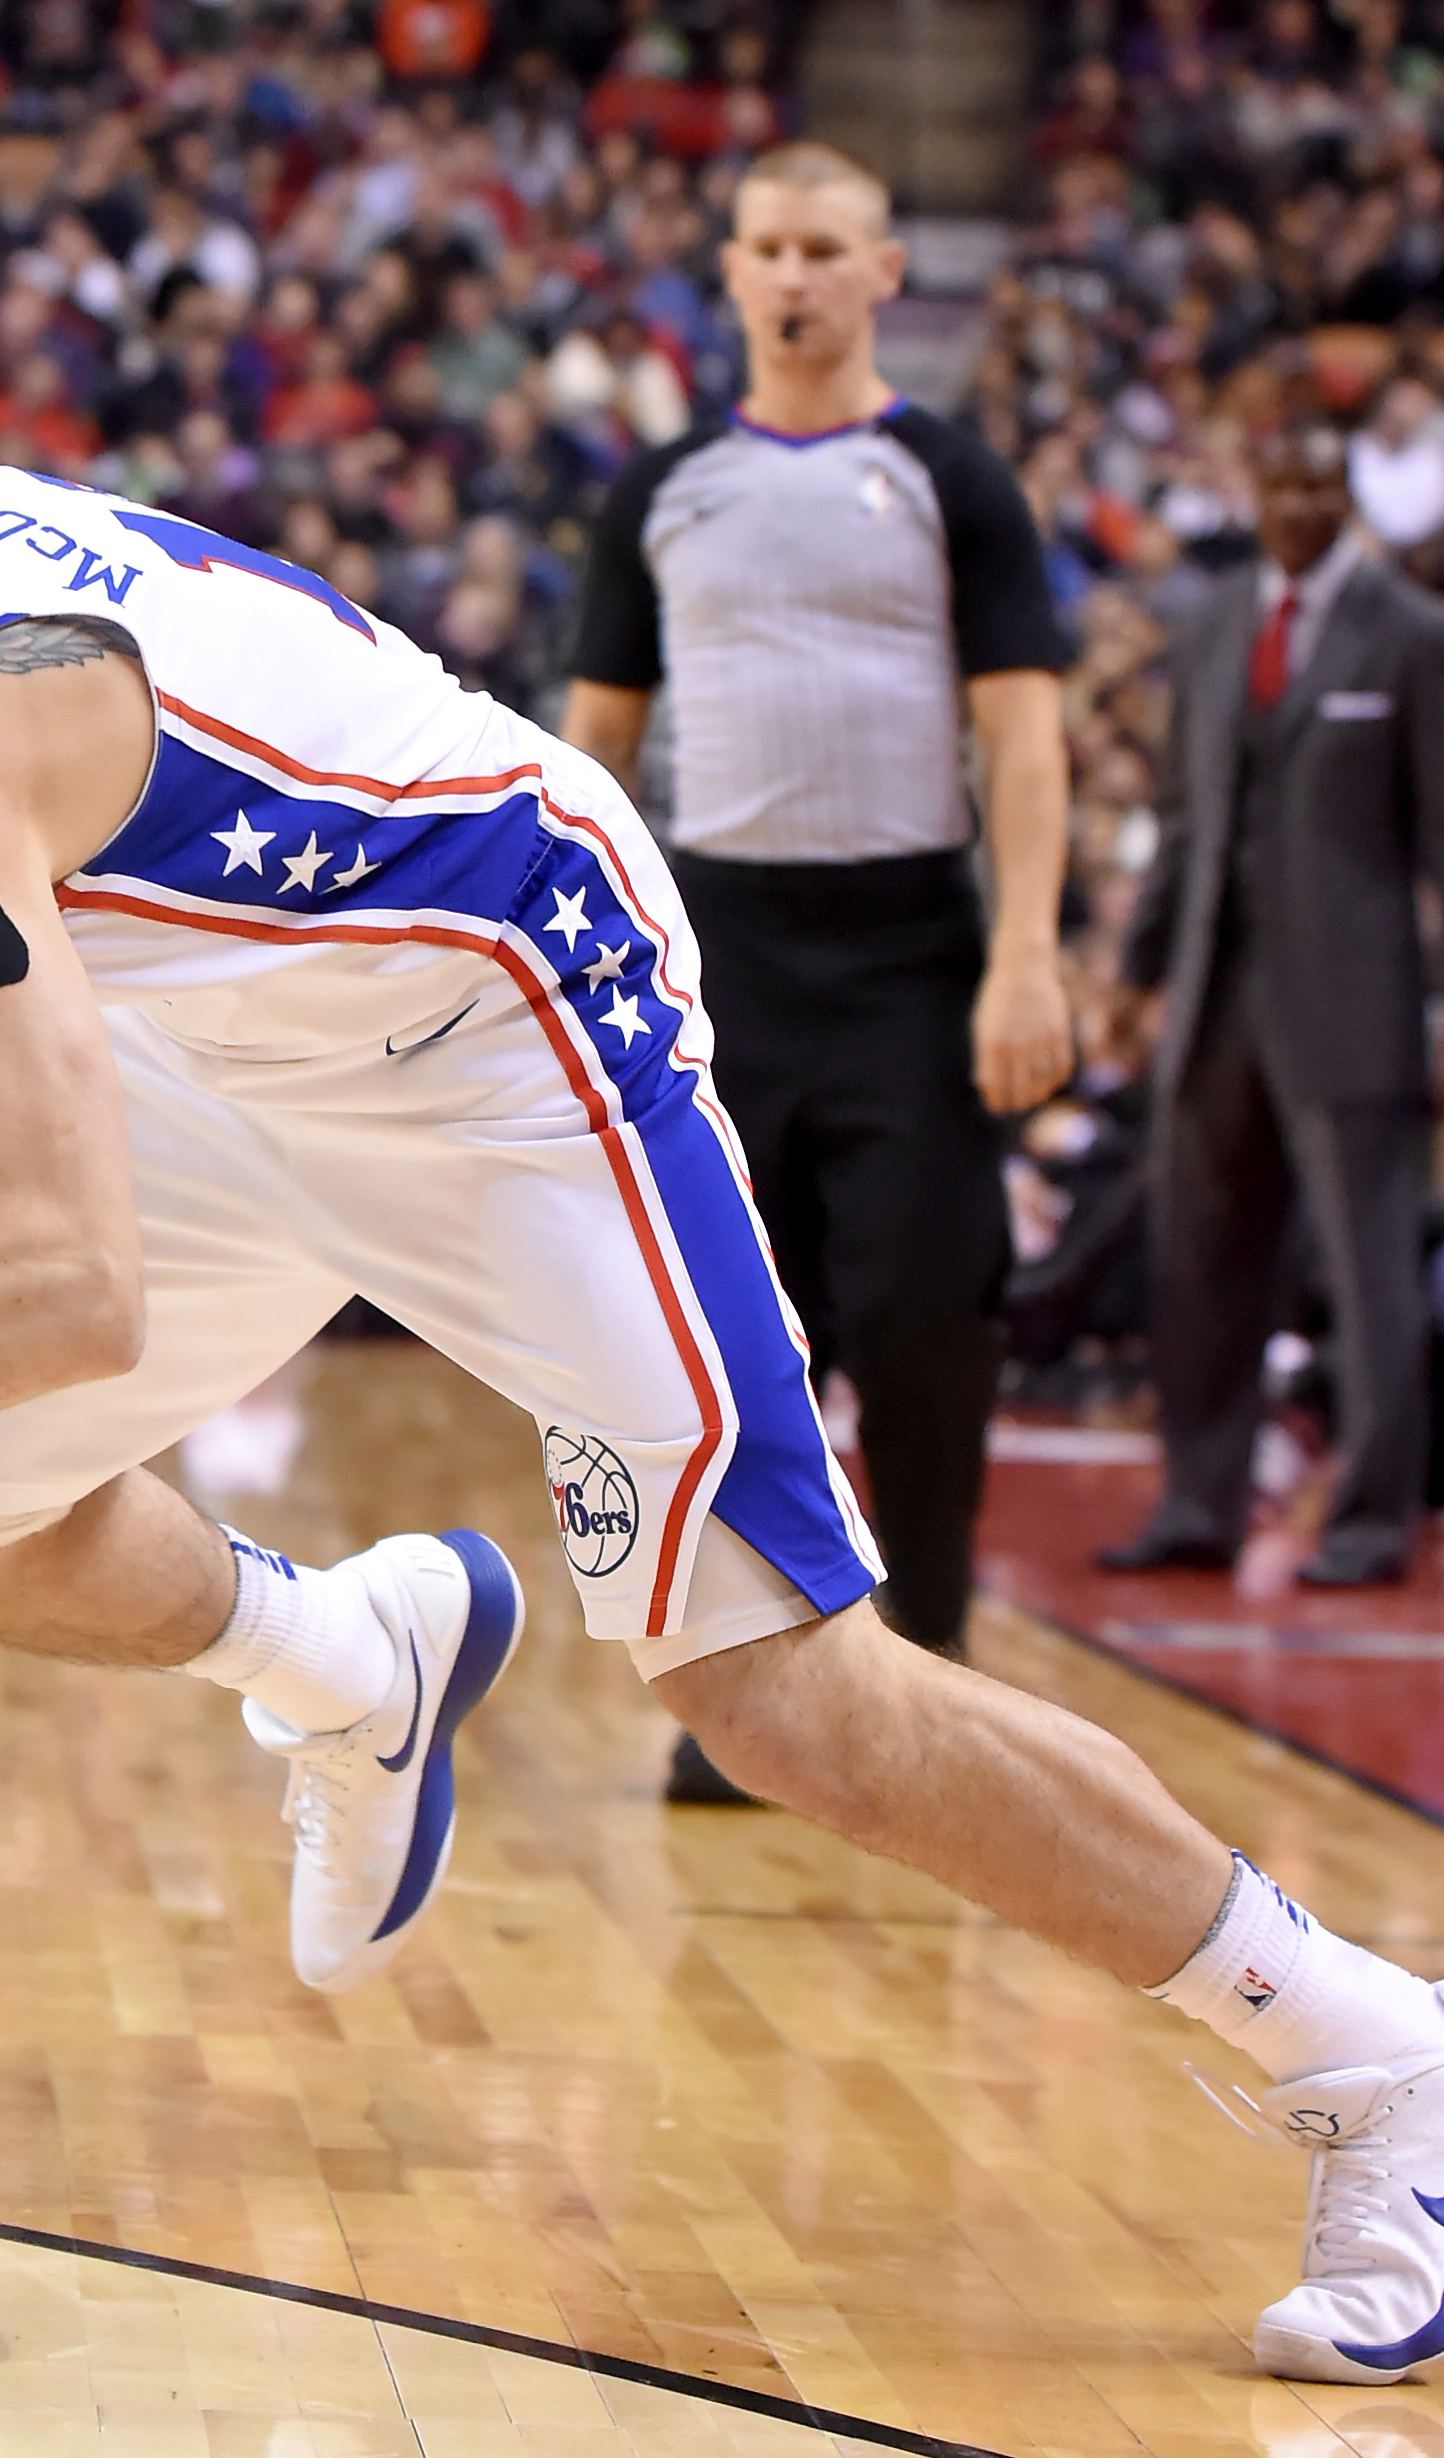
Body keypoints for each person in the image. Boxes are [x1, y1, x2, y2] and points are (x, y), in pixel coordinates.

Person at [0, 414, 1444, 2388]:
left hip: (501, 1009)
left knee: (772, 1691)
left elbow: (55, 1286)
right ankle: (349, 1660)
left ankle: (1384, 2053)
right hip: (226, 1031)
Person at [560, 142, 1076, 1804]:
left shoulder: (952, 475)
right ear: (729, 270)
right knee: (722, 1346)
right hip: (719, 962)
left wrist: (1028, 951)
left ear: (880, 272)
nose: (794, 275)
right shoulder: (659, 491)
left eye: (824, 249)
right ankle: (752, 1702)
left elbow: (1024, 728)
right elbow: (594, 753)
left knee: (930, 1314)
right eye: (767, 246)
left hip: (915, 952)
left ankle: (923, 1664)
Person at [1103, 416, 1444, 1588]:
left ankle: (1373, 1521)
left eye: (1317, 479)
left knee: (1366, 1270)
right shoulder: (1216, 620)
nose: (1294, 497)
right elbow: (1185, 821)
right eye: (1275, 473)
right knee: (1201, 1261)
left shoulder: (1415, 637)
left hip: (1356, 999)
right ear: (1252, 486)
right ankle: (1197, 1502)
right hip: (1215, 991)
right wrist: (1136, 974)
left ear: (1349, 495)